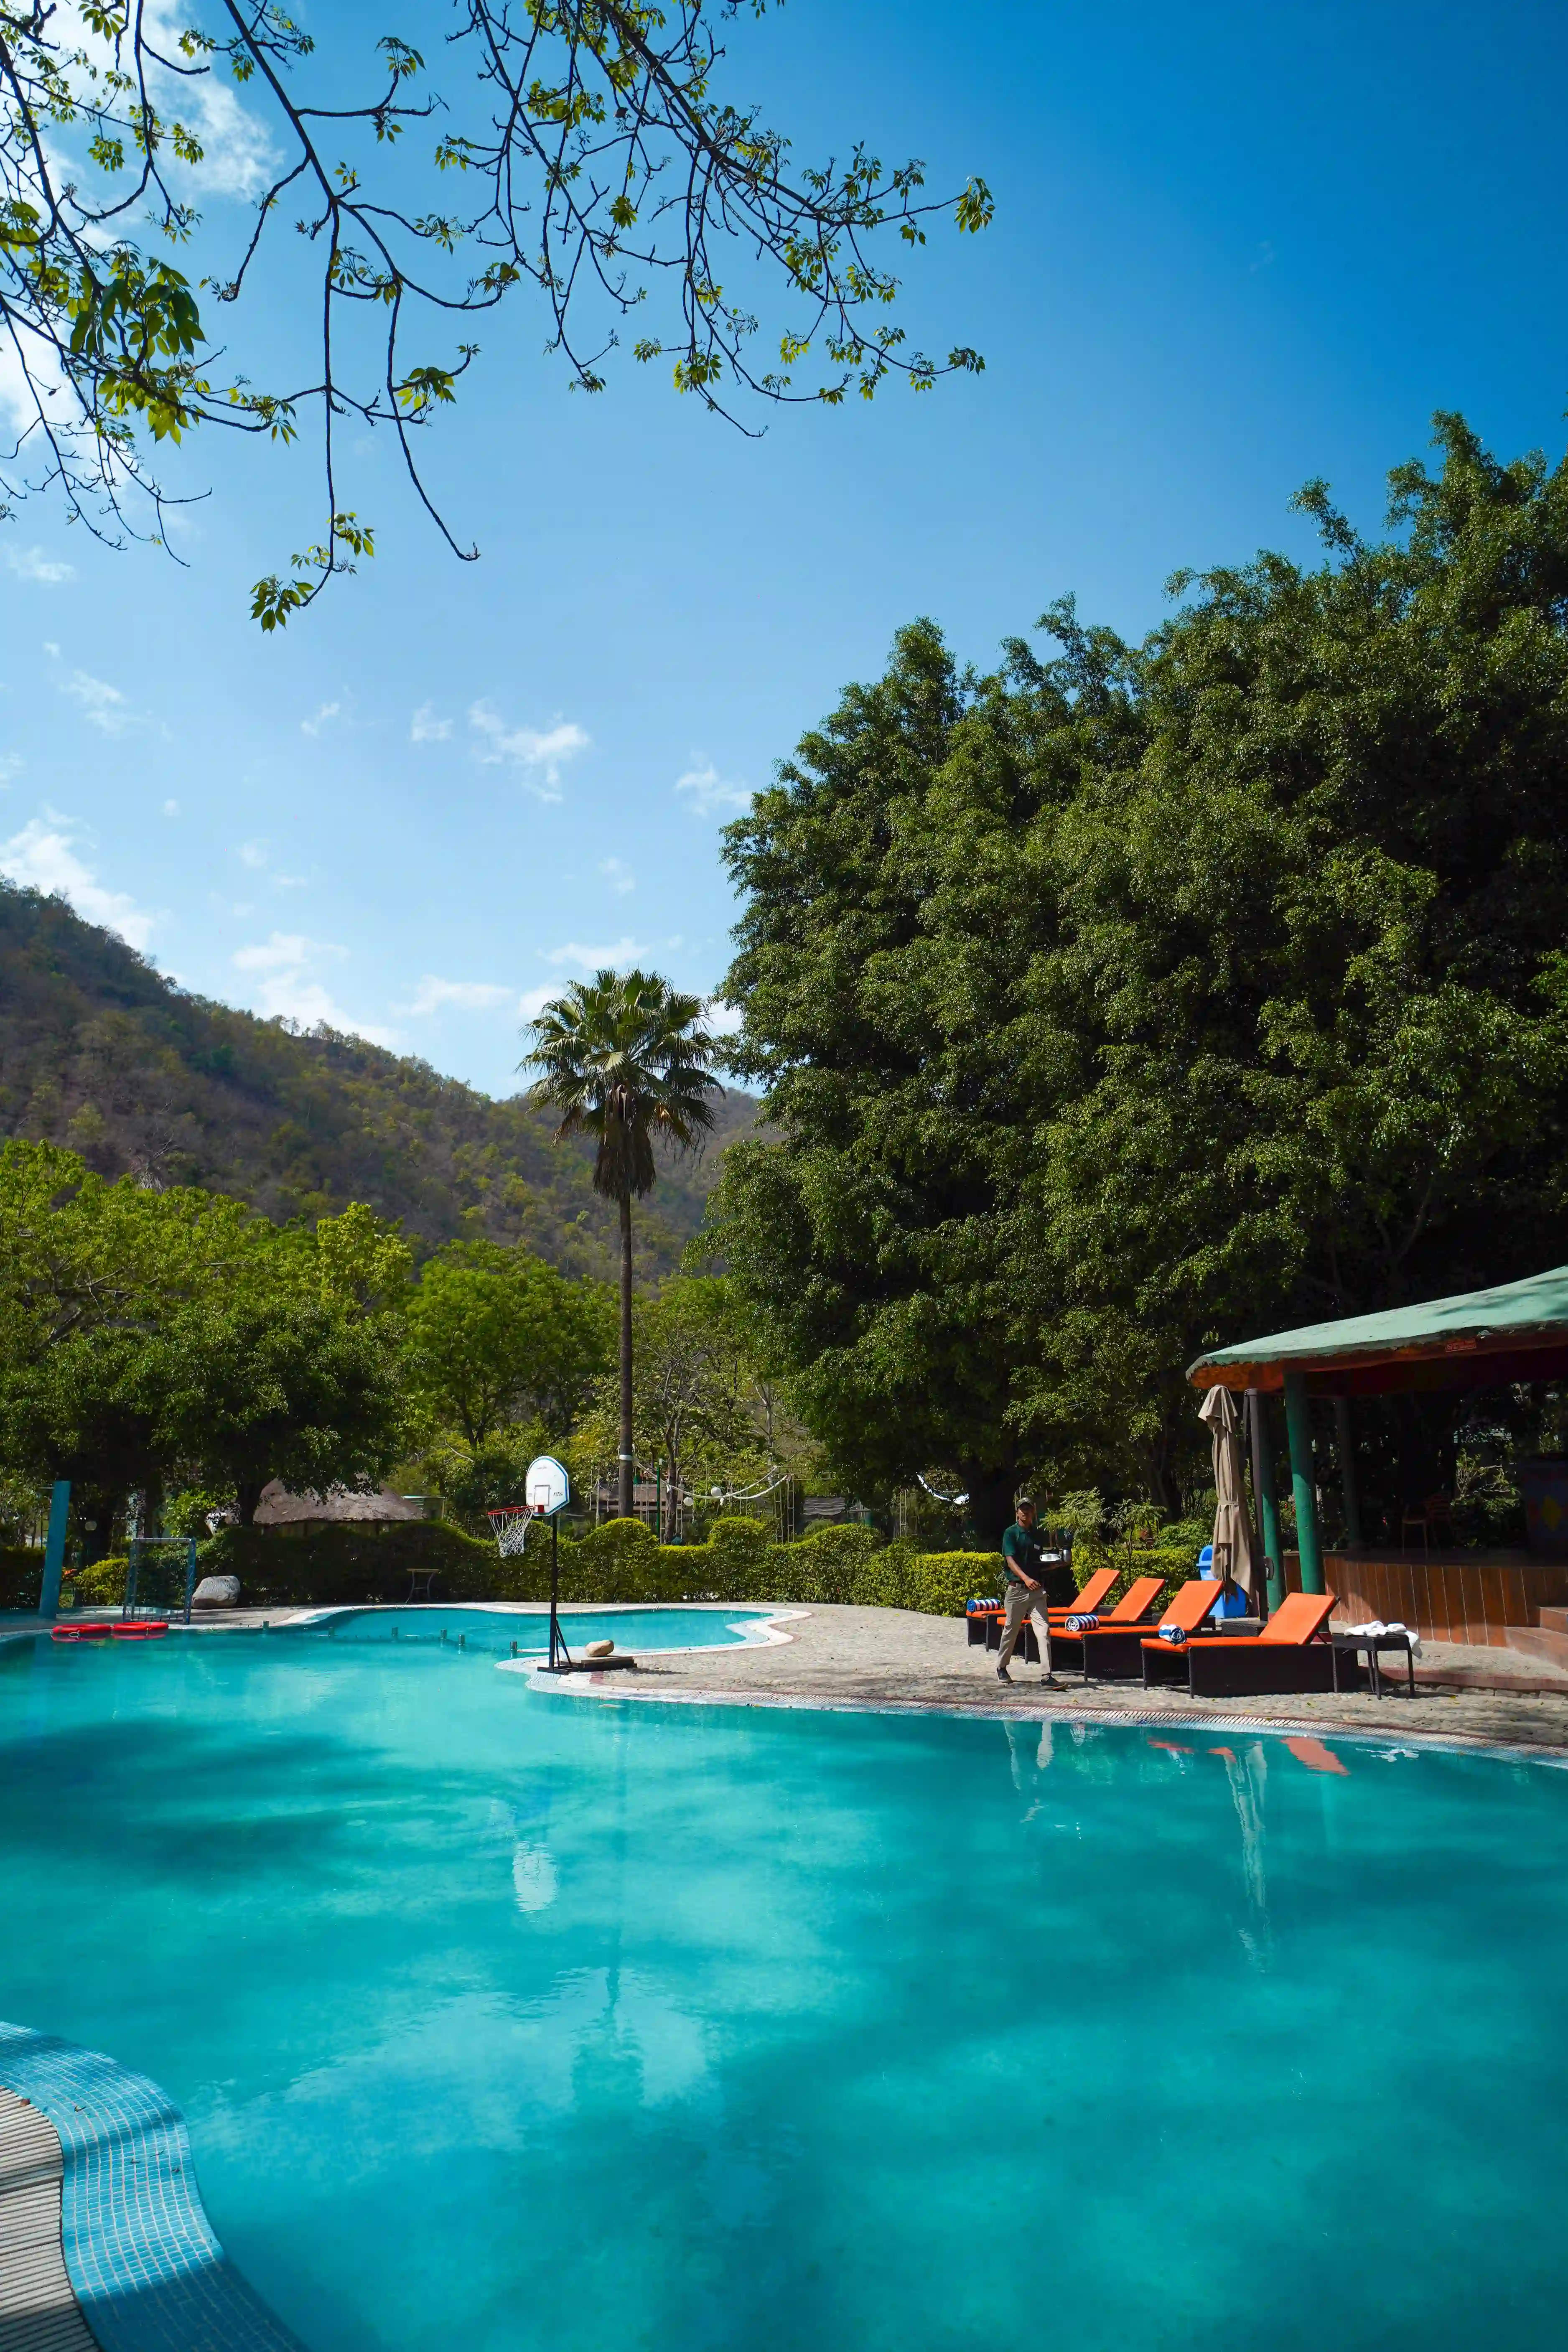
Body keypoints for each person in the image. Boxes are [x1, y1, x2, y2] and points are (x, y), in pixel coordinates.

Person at [995, 1497, 1057, 1683]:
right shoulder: (1010, 1533)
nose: (1025, 1512)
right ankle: (1002, 1667)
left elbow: (1039, 1562)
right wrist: (1025, 1578)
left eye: (1029, 1509)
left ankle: (1047, 1675)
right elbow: (1010, 1561)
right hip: (1017, 1590)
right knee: (1011, 1629)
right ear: (1017, 1513)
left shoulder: (1037, 1535)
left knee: (1044, 1630)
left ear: (1033, 1513)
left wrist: (1056, 1564)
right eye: (1022, 1509)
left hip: (1036, 1590)